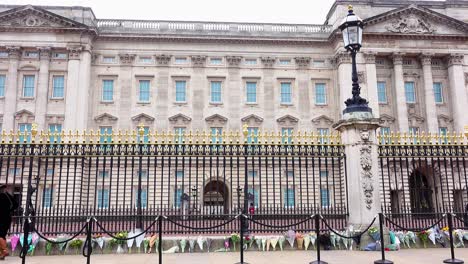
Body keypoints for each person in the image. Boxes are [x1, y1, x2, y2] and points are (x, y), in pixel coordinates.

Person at [0, 184, 18, 260]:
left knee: (0, 234)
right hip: (7, 218)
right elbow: (16, 205)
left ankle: (4, 251)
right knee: (3, 235)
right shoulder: (8, 196)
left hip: (0, 218)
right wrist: (9, 210)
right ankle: (2, 254)